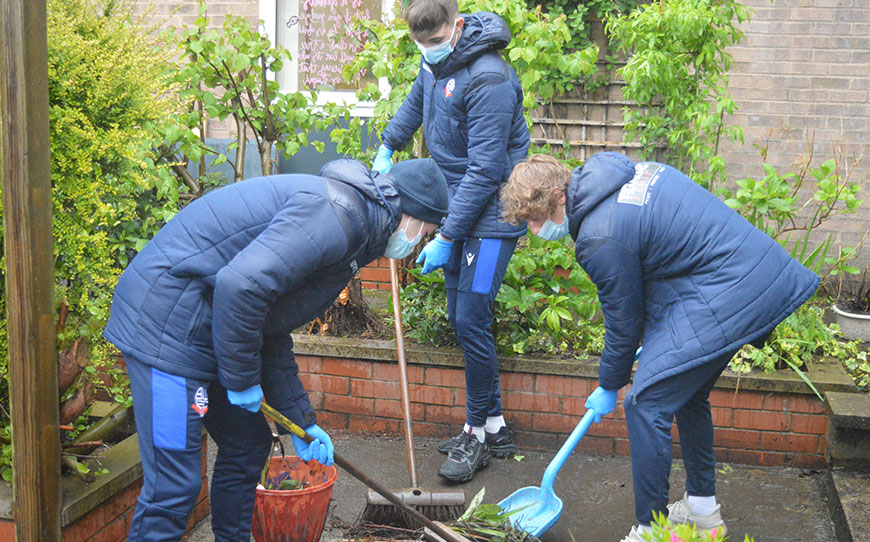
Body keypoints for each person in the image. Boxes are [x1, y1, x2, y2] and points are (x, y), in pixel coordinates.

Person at [103, 158, 448, 542]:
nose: (418, 241)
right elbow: (241, 288)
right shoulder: (336, 217)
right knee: (173, 489)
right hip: (165, 330)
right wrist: (241, 380)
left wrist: (298, 419)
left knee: (248, 446)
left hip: (207, 327)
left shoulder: (357, 230)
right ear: (411, 215)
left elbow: (271, 322)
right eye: (426, 231)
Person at [500, 153, 820, 541]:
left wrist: (609, 384)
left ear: (558, 195)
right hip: (740, 276)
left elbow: (623, 319)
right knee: (687, 395)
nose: (535, 231)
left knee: (645, 403)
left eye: (536, 218)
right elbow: (663, 263)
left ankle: (651, 531)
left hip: (729, 288)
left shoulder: (599, 235)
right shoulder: (624, 175)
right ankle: (702, 511)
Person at [372, 0, 530, 483]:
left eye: (436, 42)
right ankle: (497, 425)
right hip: (458, 206)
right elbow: (414, 105)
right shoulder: (433, 59)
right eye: (421, 44)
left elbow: (486, 171)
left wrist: (446, 235)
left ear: (457, 27)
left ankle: (476, 435)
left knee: (469, 318)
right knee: (468, 321)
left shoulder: (490, 79)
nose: (429, 52)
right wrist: (386, 146)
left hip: (492, 216)